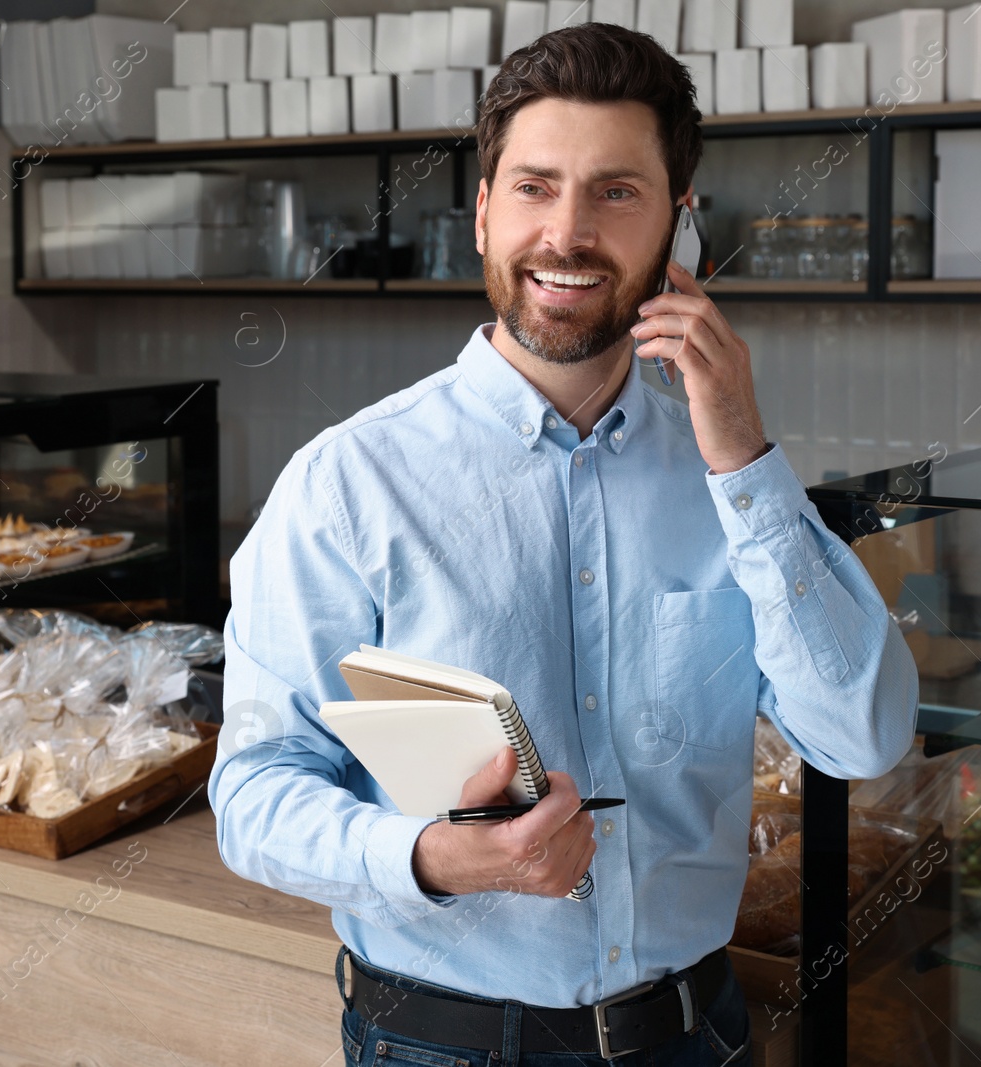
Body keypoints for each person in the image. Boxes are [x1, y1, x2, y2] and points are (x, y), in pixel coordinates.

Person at [208, 21, 919, 1066]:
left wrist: (746, 463)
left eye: (616, 192)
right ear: (486, 208)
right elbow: (256, 794)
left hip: (696, 1033)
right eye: (535, 187)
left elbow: (861, 735)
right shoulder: (346, 483)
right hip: (439, 1043)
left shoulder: (732, 479)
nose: (569, 232)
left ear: (679, 225)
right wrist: (433, 855)